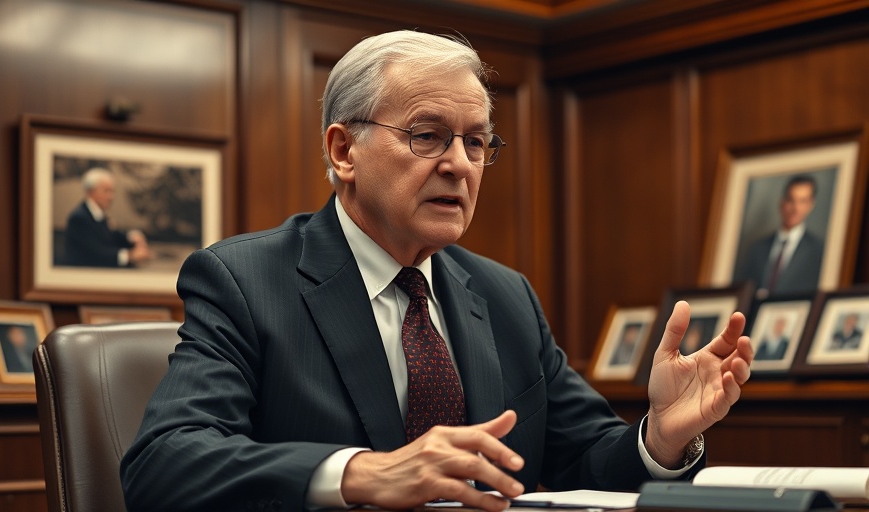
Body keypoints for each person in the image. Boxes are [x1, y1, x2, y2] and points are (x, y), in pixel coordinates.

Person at [120, 30, 753, 512]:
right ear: (345, 151)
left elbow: (584, 458)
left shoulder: (505, 296)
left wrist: (661, 440)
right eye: (427, 136)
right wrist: (364, 473)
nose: (460, 165)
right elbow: (164, 463)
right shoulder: (245, 280)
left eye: (476, 142)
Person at [733, 175, 824, 298]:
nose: (795, 208)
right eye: (791, 200)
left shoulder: (818, 250)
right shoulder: (756, 249)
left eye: (802, 201)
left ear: (811, 205)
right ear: (782, 202)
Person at [62, 167, 151, 268]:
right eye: (106, 191)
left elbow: (111, 236)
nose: (111, 197)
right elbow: (95, 253)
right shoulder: (79, 219)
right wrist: (129, 256)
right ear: (90, 192)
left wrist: (131, 236)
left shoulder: (98, 215)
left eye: (112, 191)